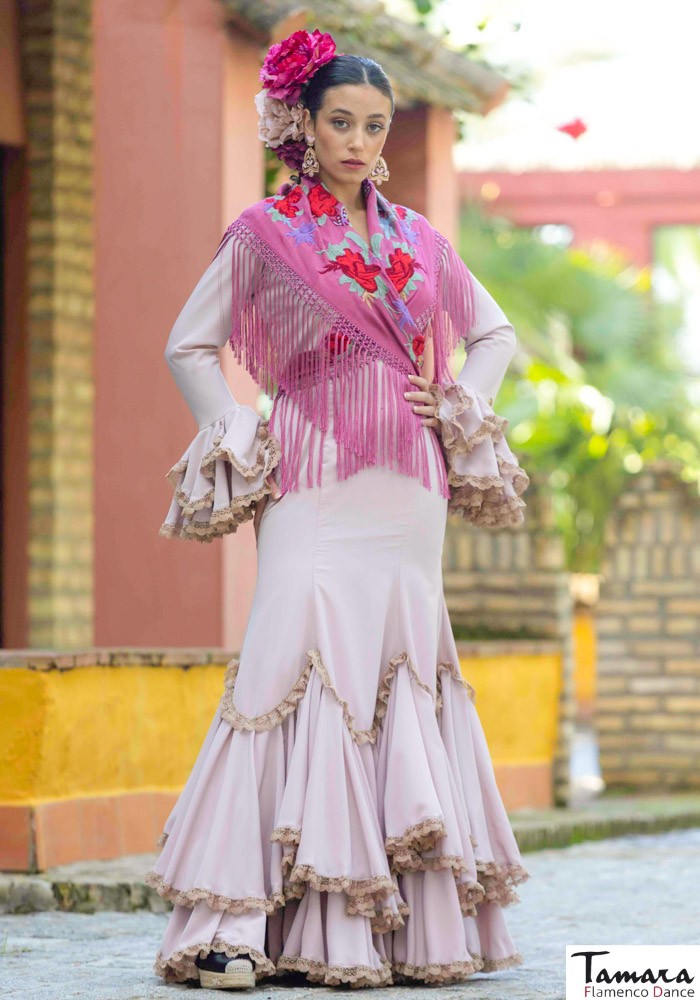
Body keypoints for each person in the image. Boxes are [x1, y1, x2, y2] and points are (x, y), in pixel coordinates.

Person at [145, 28, 531, 991]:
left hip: (411, 492)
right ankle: (234, 924)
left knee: (398, 678)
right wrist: (234, 430)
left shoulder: (416, 240)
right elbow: (188, 347)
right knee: (286, 672)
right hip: (312, 488)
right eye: (341, 122)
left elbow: (493, 332)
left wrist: (459, 406)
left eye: (374, 125)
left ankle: (386, 931)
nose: (359, 141)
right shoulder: (264, 236)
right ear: (304, 128)